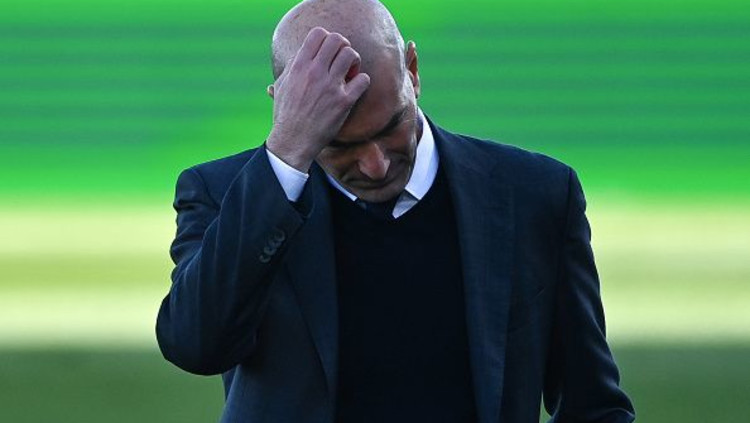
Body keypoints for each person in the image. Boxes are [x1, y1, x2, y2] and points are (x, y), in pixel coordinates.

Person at [155, 0, 636, 422]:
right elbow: (196, 345)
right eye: (340, 145)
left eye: (391, 127)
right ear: (286, 108)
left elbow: (594, 405)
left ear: (413, 69)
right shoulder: (222, 194)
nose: (376, 164)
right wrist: (284, 154)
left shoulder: (535, 195)